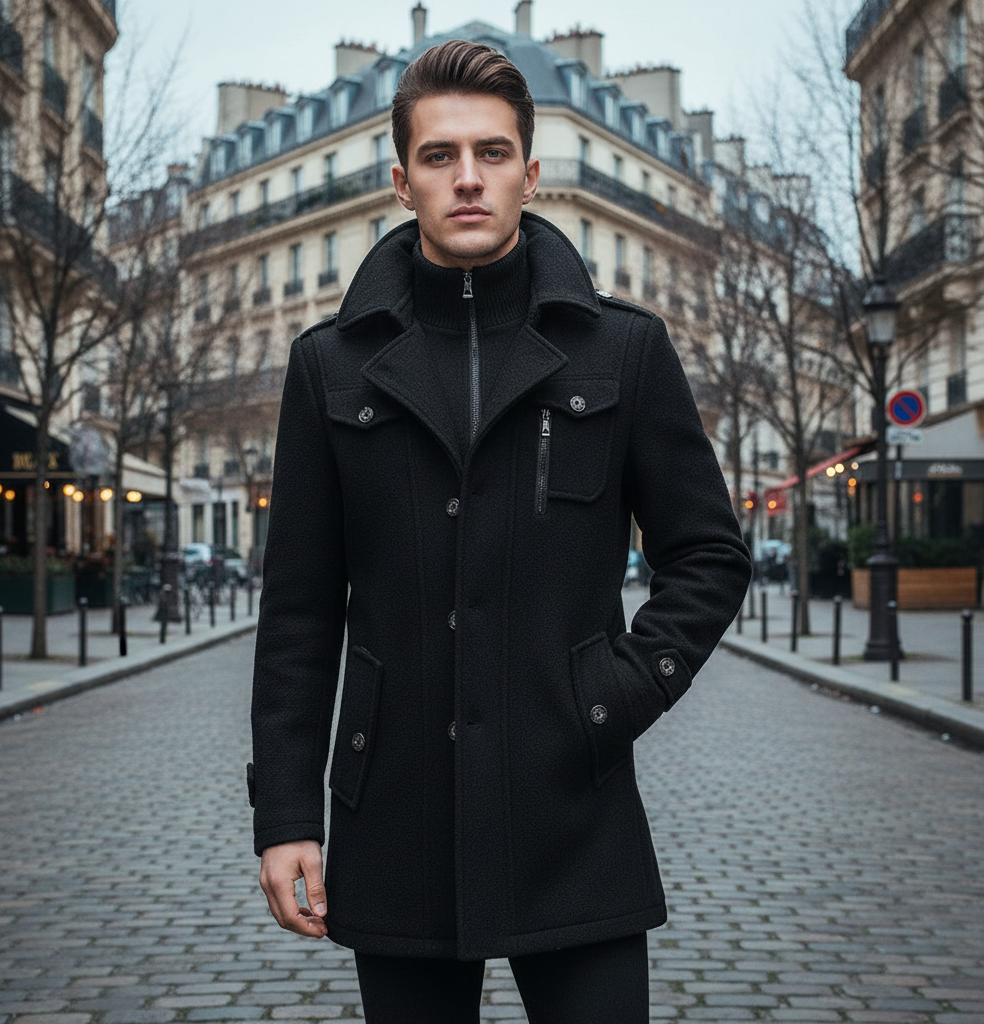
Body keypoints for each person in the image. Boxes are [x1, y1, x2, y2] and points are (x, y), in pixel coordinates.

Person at [249, 39, 751, 1023]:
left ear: (531, 171)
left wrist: (615, 692)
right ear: (402, 182)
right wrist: (285, 815)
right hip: (394, 815)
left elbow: (708, 553)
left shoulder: (623, 348)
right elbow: (299, 611)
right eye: (439, 156)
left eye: (491, 152)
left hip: (574, 812)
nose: (468, 177)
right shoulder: (329, 366)